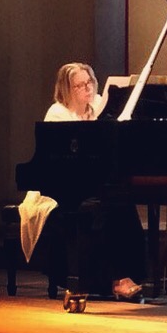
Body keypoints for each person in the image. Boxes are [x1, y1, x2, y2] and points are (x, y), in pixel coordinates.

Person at [21, 62, 146, 300]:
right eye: (79, 85)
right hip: (58, 188)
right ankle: (111, 279)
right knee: (101, 211)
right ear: (66, 89)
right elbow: (57, 164)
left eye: (89, 82)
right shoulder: (58, 114)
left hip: (93, 182)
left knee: (124, 205)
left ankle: (133, 275)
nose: (87, 88)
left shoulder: (99, 106)